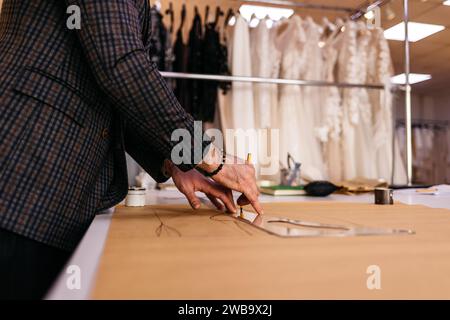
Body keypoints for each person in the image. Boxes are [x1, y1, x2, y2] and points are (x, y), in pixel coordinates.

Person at [0, 0, 262, 300]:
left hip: (42, 175)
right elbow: (120, 63)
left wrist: (176, 162)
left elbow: (110, 88)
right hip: (25, 168)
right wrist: (214, 159)